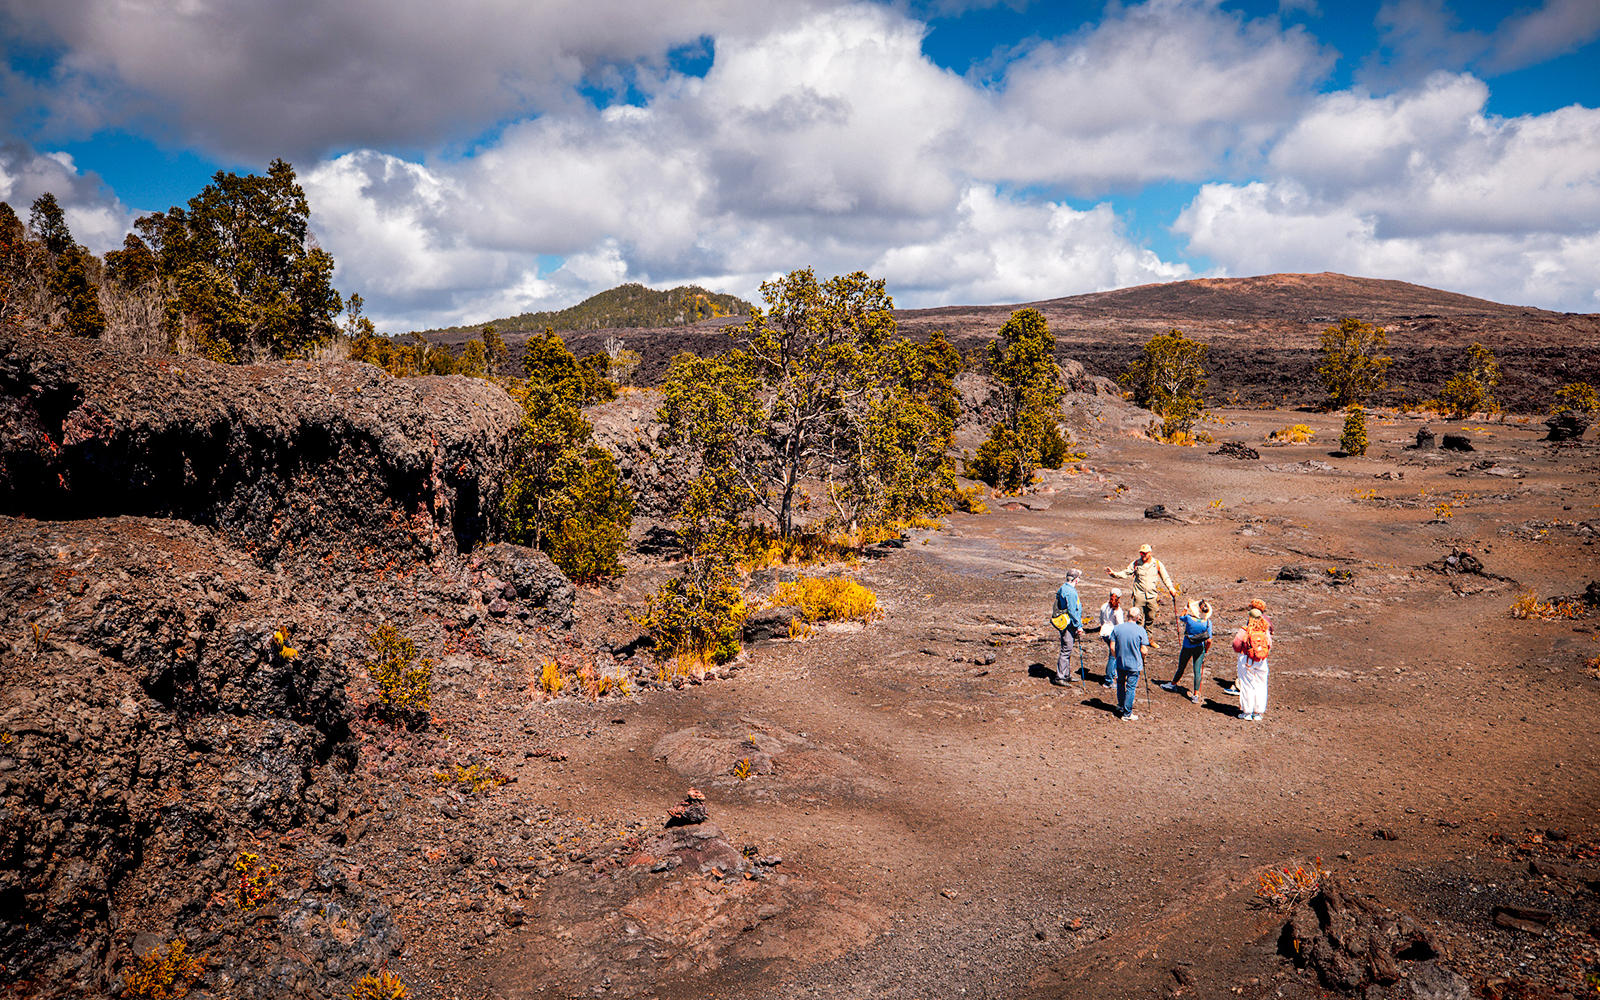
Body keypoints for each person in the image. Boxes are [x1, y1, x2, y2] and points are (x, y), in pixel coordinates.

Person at [1106, 544, 1178, 639]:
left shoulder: (1157, 564)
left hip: (1152, 596)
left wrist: (1171, 588)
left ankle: (1149, 639)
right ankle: (1137, 639)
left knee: (1150, 619)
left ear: (1150, 553)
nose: (1142, 555)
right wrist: (1113, 574)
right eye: (1141, 553)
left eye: (1145, 553)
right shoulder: (1136, 563)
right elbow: (1125, 573)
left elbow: (1165, 577)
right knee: (1137, 619)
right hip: (1139, 596)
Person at [1161, 600, 1211, 704]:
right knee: (1197, 671)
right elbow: (1209, 640)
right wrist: (1206, 650)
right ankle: (1196, 695)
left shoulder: (1189, 618)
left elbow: (1181, 617)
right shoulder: (1207, 622)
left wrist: (1186, 607)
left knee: (1181, 667)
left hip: (1187, 647)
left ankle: (1173, 684)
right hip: (1199, 648)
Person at [1108, 606, 1150, 721]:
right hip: (1134, 664)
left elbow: (1112, 647)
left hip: (1121, 662)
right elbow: (1144, 650)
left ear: (1127, 615)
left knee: (1120, 683)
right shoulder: (1141, 630)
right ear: (1138, 618)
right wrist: (1144, 656)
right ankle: (1127, 713)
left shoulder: (1117, 628)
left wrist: (1117, 657)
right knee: (1130, 688)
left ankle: (1121, 705)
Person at [1234, 604, 1274, 721]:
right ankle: (1258, 713)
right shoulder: (1265, 631)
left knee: (1247, 685)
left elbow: (1236, 645)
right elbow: (1269, 645)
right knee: (1261, 685)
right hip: (1261, 660)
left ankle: (1247, 712)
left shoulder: (1245, 630)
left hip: (1246, 660)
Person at [1051, 569, 1083, 687]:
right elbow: (1072, 611)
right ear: (1076, 579)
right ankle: (1060, 677)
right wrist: (1078, 626)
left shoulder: (1064, 588)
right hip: (1069, 624)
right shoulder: (1071, 592)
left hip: (1066, 623)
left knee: (1067, 649)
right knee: (1066, 650)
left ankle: (1066, 675)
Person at [1096, 589, 1126, 687]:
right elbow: (1120, 625)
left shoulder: (1104, 606)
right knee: (1113, 657)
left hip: (1104, 632)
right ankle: (1108, 680)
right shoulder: (1118, 610)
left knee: (1112, 655)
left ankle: (1112, 674)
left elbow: (1101, 620)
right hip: (1113, 634)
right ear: (1119, 597)